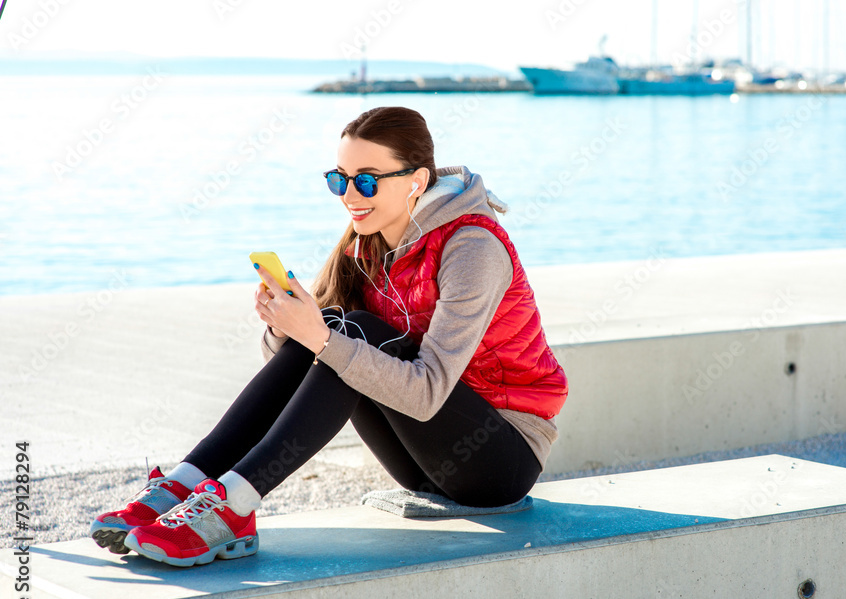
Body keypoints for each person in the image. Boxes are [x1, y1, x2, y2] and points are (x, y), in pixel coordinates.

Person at [89, 106, 569, 567]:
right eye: (338, 179)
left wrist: (321, 339)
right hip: (421, 464)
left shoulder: (472, 247)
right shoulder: (366, 242)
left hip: (498, 460)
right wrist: (284, 326)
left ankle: (234, 505)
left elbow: (424, 394)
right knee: (341, 325)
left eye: (365, 180)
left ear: (417, 181)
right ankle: (185, 482)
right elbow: (303, 361)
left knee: (350, 334)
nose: (349, 195)